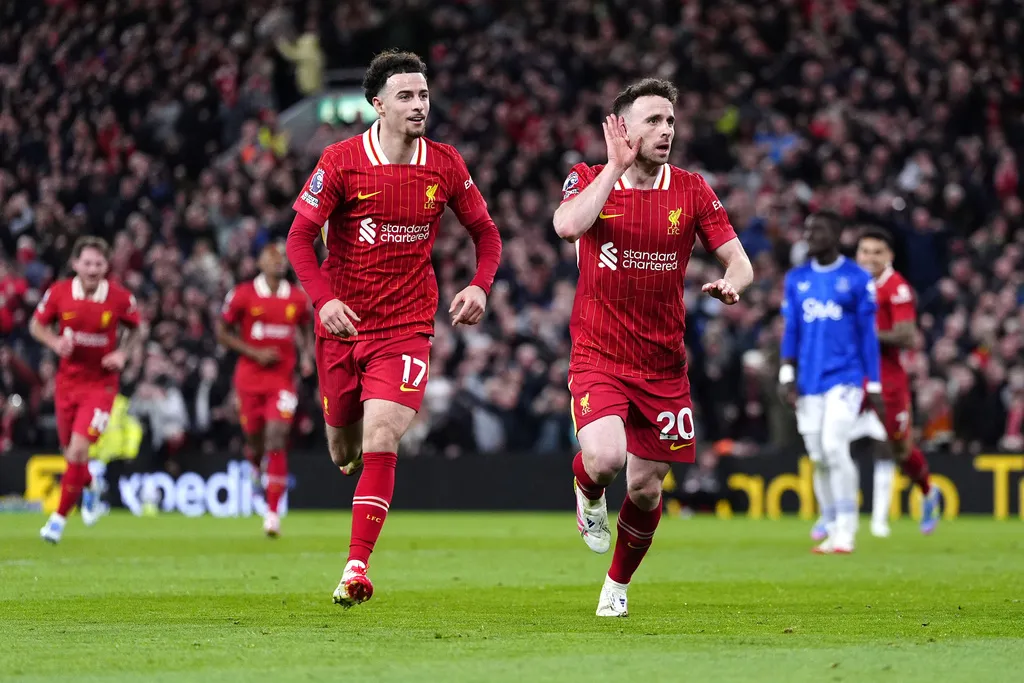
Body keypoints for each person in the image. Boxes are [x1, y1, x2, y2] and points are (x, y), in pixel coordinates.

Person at [285, 49, 502, 607]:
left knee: (382, 436)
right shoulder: (340, 161)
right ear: (377, 104)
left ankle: (356, 567)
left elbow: (486, 233)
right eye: (405, 96)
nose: (418, 104)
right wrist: (324, 301)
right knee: (343, 449)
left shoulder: (445, 164)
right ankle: (354, 459)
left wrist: (480, 285)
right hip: (342, 325)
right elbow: (299, 238)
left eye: (423, 95)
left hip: (406, 326)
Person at [553, 78, 753, 617]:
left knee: (645, 489)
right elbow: (567, 226)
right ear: (622, 129)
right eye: (653, 121)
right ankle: (588, 489)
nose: (666, 131)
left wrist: (732, 283)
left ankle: (616, 586)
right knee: (605, 458)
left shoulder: (691, 190)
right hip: (599, 354)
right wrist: (613, 169)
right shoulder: (588, 178)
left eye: (670, 121)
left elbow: (740, 260)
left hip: (663, 365)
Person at [824, 227, 940, 538]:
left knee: (901, 449)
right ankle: (831, 511)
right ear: (857, 255)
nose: (870, 258)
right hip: (851, 375)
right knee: (829, 437)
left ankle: (928, 491)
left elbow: (907, 336)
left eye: (877, 252)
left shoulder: (896, 287)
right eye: (865, 252)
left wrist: (864, 335)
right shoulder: (849, 283)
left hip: (888, 378)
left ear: (889, 256)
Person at [779, 212, 883, 555]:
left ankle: (847, 529)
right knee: (819, 455)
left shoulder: (856, 278)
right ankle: (832, 522)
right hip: (808, 380)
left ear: (837, 235)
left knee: (834, 446)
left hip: (846, 377)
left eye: (818, 230)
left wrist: (874, 384)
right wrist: (786, 374)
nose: (810, 236)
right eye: (808, 230)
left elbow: (868, 335)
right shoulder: (797, 279)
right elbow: (792, 330)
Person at [30, 236, 143, 543]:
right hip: (67, 385)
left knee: (79, 450)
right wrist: (54, 342)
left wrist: (122, 354)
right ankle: (91, 484)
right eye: (88, 263)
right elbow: (36, 325)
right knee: (71, 454)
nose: (93, 269)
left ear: (107, 266)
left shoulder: (119, 298)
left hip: (101, 385)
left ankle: (57, 520)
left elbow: (137, 329)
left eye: (98, 264)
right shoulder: (59, 292)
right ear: (75, 264)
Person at [216, 242, 313, 538]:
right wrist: (253, 352)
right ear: (259, 263)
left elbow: (305, 327)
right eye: (271, 257)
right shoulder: (243, 294)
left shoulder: (297, 298)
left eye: (282, 257)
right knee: (256, 439)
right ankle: (255, 463)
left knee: (277, 437)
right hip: (249, 380)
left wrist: (306, 355)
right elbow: (222, 331)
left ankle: (272, 514)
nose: (278, 261)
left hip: (282, 381)